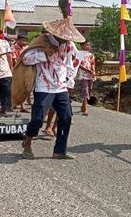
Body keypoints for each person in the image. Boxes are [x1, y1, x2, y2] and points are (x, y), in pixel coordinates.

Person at [14, 17, 85, 160]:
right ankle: (27, 141)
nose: (65, 40)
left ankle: (59, 151)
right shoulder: (42, 42)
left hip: (60, 87)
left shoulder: (69, 45)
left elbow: (71, 63)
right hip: (43, 87)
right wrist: (44, 54)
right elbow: (25, 59)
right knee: (38, 119)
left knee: (66, 117)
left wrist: (69, 81)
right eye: (63, 37)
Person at [11, 32, 30, 112]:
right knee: (15, 88)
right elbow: (14, 60)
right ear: (18, 40)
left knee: (25, 88)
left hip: (26, 69)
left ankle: (23, 105)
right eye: (23, 40)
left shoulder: (27, 48)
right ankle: (13, 104)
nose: (25, 42)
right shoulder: (13, 48)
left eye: (26, 40)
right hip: (16, 69)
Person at [78, 41, 96, 116]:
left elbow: (93, 64)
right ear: (82, 45)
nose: (88, 46)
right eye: (86, 45)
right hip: (83, 75)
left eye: (89, 45)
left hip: (90, 75)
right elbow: (78, 64)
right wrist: (87, 70)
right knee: (85, 89)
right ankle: (86, 108)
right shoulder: (79, 54)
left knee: (89, 90)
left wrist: (93, 71)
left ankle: (83, 105)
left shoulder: (91, 55)